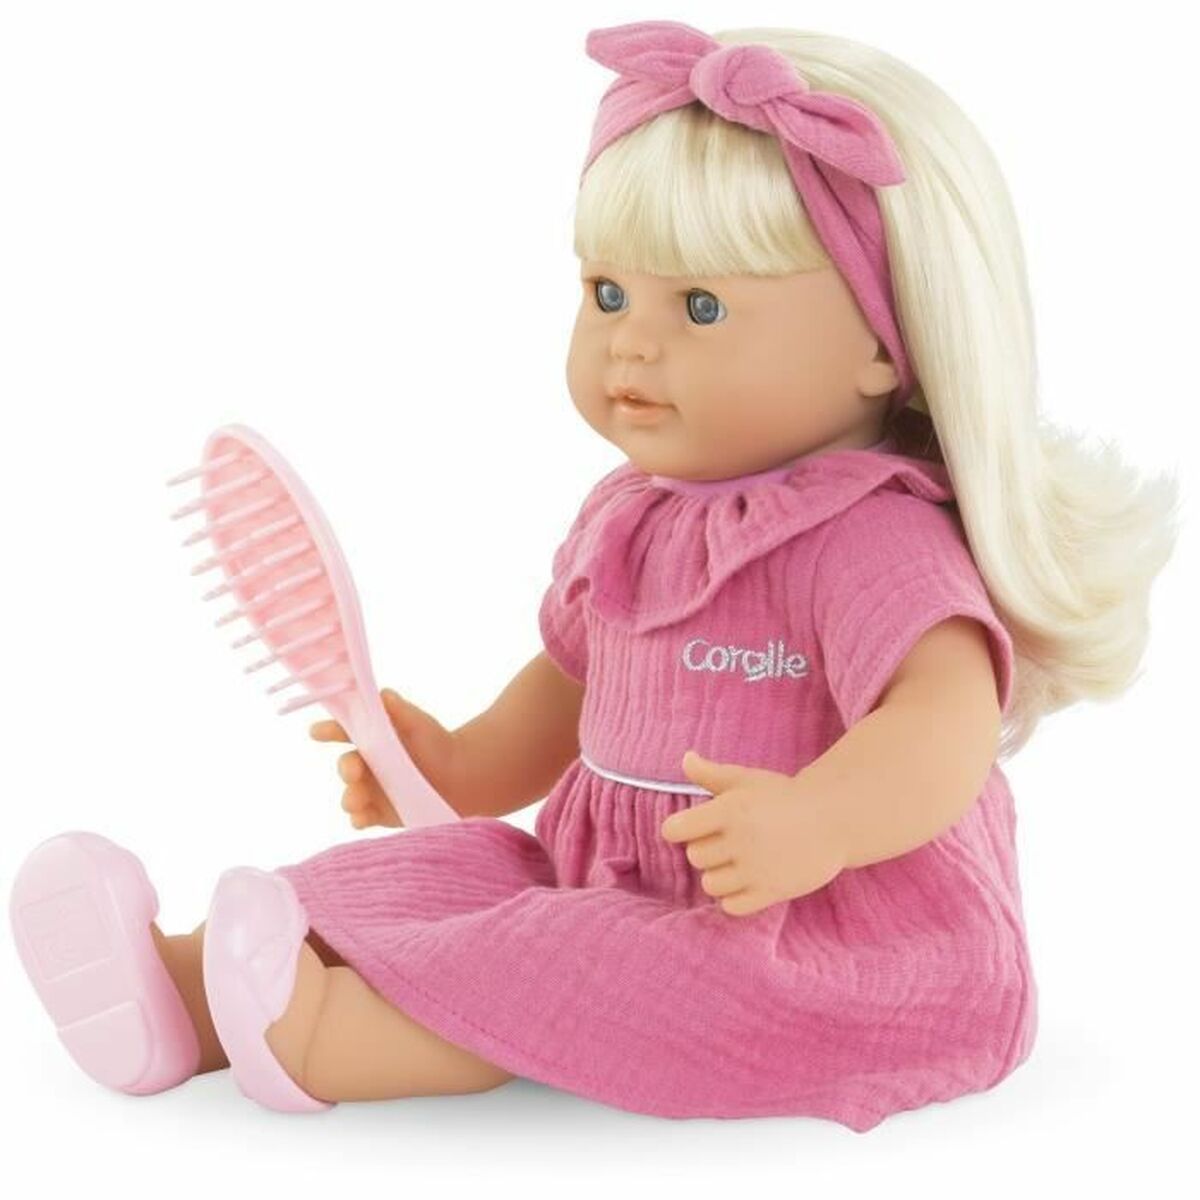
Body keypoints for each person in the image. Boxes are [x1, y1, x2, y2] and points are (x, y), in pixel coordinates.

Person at [10, 19, 1179, 1131]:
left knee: (568, 961)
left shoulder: (875, 540)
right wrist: (461, 764)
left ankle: (326, 1035)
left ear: (888, 341)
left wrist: (819, 821)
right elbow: (576, 680)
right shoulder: (634, 515)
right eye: (607, 293)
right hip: (605, 877)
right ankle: (179, 992)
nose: (631, 341)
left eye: (701, 307)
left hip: (809, 934)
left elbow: (944, 725)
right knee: (438, 877)